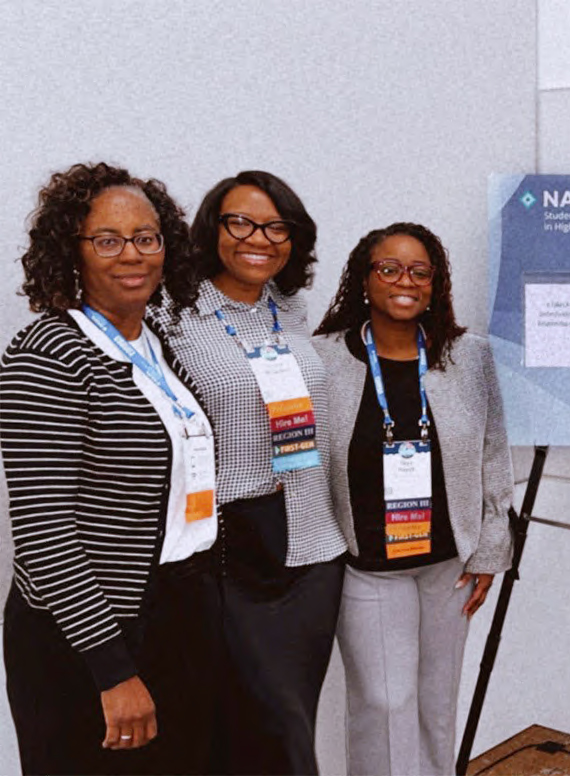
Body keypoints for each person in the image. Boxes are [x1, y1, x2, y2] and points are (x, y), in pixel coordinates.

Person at [0, 162, 218, 774]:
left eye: (147, 238)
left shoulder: (155, 343)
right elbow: (44, 530)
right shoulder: (48, 352)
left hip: (174, 611)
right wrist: (113, 670)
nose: (133, 255)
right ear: (71, 250)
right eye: (108, 240)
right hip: (89, 634)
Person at [151, 170, 347, 774]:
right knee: (253, 727)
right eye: (240, 222)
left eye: (275, 226)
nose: (257, 238)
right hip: (230, 552)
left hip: (312, 545)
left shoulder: (290, 310)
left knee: (293, 719)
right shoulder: (170, 314)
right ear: (214, 229)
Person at [312, 222, 513, 775]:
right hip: (369, 566)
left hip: (448, 565)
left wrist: (491, 550)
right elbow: (302, 461)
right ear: (364, 279)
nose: (406, 281)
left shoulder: (469, 356)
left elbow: (494, 453)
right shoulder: (322, 359)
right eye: (390, 268)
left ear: (436, 282)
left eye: (420, 271)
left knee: (436, 703)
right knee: (383, 702)